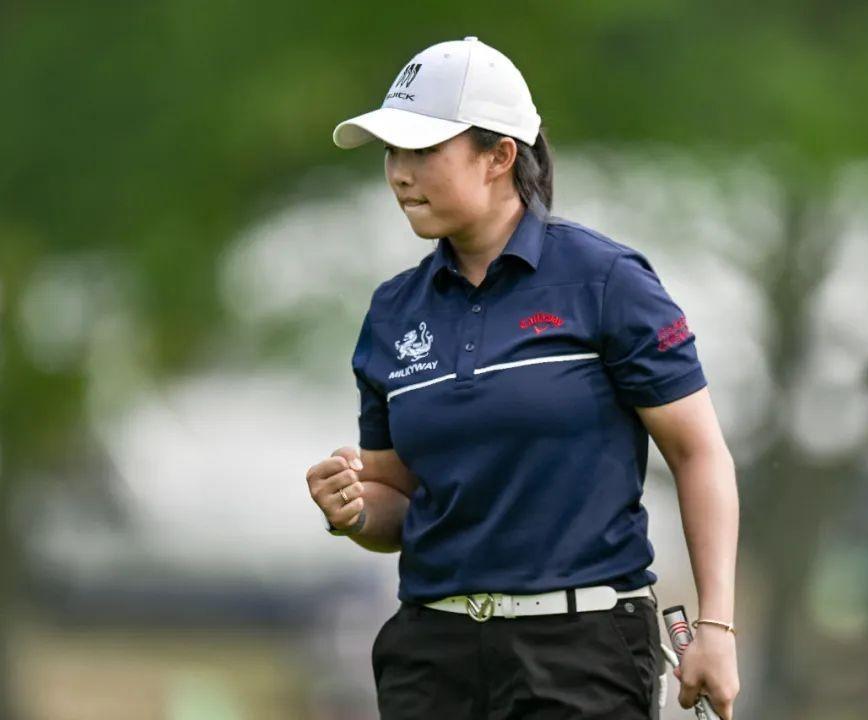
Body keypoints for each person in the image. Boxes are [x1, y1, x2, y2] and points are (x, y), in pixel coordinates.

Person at [304, 36, 741, 720]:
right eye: (392, 152)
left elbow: (698, 452)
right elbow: (398, 499)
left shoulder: (606, 281)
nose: (399, 175)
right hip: (434, 657)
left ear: (499, 156)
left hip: (581, 651)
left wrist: (715, 626)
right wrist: (354, 510)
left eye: (422, 151)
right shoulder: (393, 312)